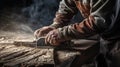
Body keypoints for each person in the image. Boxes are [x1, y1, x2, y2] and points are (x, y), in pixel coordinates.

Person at [34, 0, 120, 67]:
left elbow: (98, 22)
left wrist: (62, 34)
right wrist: (56, 25)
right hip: (105, 33)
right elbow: (67, 5)